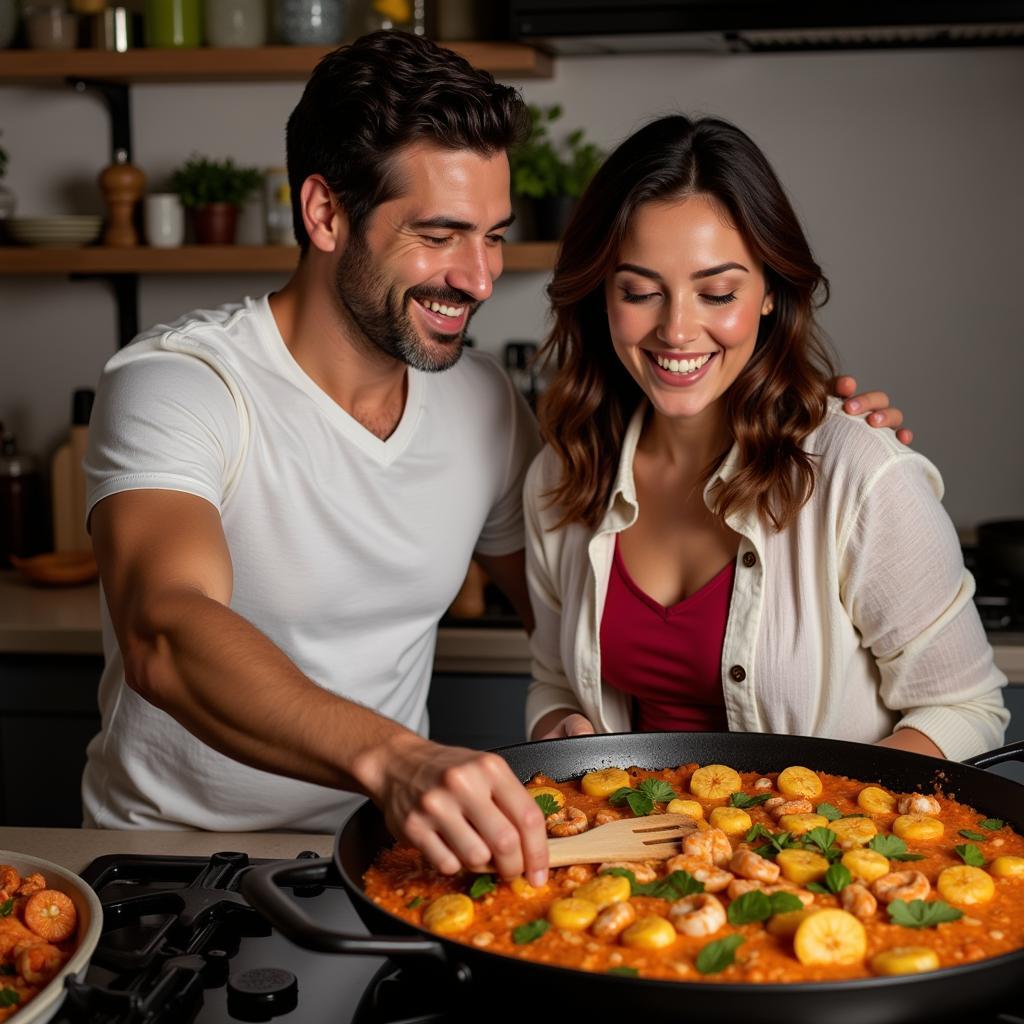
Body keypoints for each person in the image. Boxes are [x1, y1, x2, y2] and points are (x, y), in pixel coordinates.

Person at [82, 33, 908, 883]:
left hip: (388, 859)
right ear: (325, 213)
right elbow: (164, 629)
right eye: (440, 236)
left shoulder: (481, 404)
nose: (479, 279)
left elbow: (575, 617)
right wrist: (400, 761)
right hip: (169, 865)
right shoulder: (178, 383)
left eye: (494, 236)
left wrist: (821, 440)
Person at [525, 114, 1007, 762]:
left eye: (717, 292)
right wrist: (561, 728)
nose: (677, 330)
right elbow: (554, 683)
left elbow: (967, 708)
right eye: (641, 291)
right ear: (600, 296)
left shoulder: (860, 475)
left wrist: (827, 825)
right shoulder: (560, 476)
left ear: (771, 292)